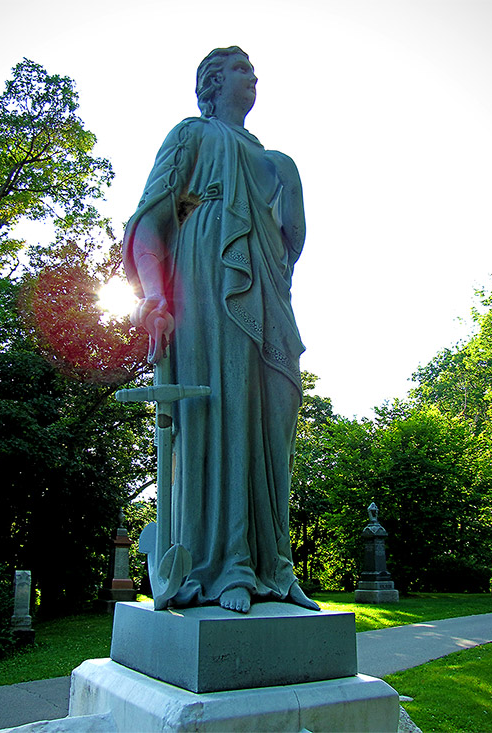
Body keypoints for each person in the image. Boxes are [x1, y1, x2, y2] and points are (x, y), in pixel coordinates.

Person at [123, 46, 319, 614]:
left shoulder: (278, 161)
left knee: (275, 411)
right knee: (225, 409)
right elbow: (152, 215)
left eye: (253, 70)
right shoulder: (192, 134)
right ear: (211, 82)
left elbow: (291, 242)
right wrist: (156, 295)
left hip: (265, 290)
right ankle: (224, 565)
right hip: (208, 275)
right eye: (239, 68)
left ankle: (273, 565)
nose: (252, 76)